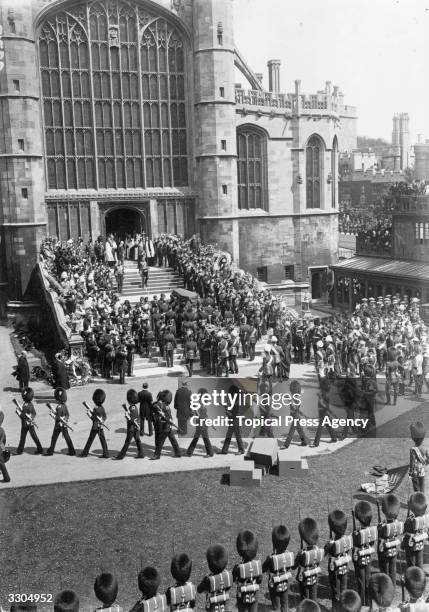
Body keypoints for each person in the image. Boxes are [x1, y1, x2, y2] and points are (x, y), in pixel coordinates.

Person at [325, 510, 352, 611]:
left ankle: (335, 609)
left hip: (335, 567)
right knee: (343, 588)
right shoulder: (347, 539)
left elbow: (325, 552)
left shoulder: (332, 544)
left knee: (335, 590)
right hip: (344, 565)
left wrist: (330, 543)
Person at [262, 525, 293, 612]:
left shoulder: (271, 559)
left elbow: (262, 569)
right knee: (285, 604)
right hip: (285, 583)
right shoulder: (289, 556)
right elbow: (291, 566)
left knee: (276, 607)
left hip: (274, 584)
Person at [352, 500, 377, 606]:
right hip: (368, 557)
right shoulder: (372, 530)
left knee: (361, 582)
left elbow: (354, 545)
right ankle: (368, 601)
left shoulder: (357, 533)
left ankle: (362, 604)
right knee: (367, 579)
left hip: (359, 559)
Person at [295, 518, 324, 602]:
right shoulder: (317, 550)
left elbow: (294, 566)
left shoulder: (302, 553)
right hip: (314, 577)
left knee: (305, 599)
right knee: (313, 597)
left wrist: (299, 554)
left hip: (304, 578)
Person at [233, 530, 262, 612]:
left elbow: (234, 579)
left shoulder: (237, 567)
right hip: (254, 593)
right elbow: (260, 580)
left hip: (241, 595)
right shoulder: (257, 565)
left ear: (240, 552)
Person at [377, 494, 403, 587]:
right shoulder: (398, 524)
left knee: (384, 569)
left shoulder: (382, 526)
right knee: (393, 568)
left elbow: (379, 533)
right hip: (394, 548)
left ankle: (385, 586)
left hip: (384, 549)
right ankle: (393, 585)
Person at [197, 544, 232, 612]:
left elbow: (199, 589)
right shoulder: (228, 575)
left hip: (212, 608)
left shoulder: (208, 579)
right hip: (225, 606)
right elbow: (229, 587)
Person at [151, 390, 181, 460]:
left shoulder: (163, 405)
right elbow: (155, 407)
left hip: (164, 426)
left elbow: (156, 408)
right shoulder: (165, 405)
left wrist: (163, 415)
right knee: (173, 440)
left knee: (160, 441)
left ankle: (157, 455)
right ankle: (178, 452)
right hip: (168, 426)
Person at [45, 387, 75, 456]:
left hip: (58, 425)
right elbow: (67, 414)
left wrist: (52, 414)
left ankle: (50, 451)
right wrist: (65, 419)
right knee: (67, 438)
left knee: (54, 438)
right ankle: (72, 451)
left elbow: (57, 417)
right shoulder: (65, 406)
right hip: (64, 425)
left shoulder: (58, 407)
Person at [115, 389, 144, 460]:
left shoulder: (133, 408)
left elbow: (132, 420)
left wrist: (127, 417)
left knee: (127, 442)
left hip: (132, 428)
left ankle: (120, 456)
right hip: (135, 427)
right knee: (137, 441)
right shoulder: (133, 407)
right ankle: (141, 454)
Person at [80, 388, 109, 458]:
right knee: (103, 440)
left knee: (90, 440)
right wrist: (102, 420)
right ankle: (106, 454)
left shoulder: (95, 409)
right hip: (100, 427)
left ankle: (85, 453)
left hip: (95, 427)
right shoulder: (102, 408)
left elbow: (94, 419)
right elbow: (105, 416)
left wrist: (89, 415)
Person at [403, 492, 428, 569]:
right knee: (419, 560)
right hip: (421, 543)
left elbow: (405, 531)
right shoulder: (425, 518)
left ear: (411, 508)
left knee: (411, 561)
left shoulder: (410, 520)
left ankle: (412, 574)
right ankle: (420, 574)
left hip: (411, 543)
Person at [16, 387, 43, 455]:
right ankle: (40, 449)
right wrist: (31, 417)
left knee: (22, 438)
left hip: (25, 424)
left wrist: (18, 412)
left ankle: (19, 451)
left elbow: (22, 416)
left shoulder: (25, 405)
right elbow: (34, 413)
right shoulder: (30, 404)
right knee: (34, 437)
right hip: (30, 423)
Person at [283, 380, 310, 449]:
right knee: (300, 429)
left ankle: (286, 444)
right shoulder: (294, 395)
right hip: (294, 415)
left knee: (291, 430)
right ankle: (304, 442)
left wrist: (289, 400)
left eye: (291, 387)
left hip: (295, 415)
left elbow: (295, 407)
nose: (290, 389)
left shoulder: (297, 398)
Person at [313, 378, 338, 447]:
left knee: (320, 427)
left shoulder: (323, 394)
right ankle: (334, 438)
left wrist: (320, 398)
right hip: (324, 412)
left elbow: (324, 404)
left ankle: (316, 443)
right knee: (328, 425)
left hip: (323, 412)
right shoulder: (324, 392)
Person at [221, 384, 245, 455]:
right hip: (233, 421)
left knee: (238, 436)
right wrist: (226, 407)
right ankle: (224, 450)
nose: (230, 395)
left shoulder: (236, 402)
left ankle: (241, 450)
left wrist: (226, 410)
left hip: (235, 421)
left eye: (231, 393)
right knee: (228, 435)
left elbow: (233, 414)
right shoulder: (235, 400)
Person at [409, 422, 429, 492]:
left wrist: (410, 472)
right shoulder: (425, 449)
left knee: (416, 488)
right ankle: (422, 500)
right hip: (422, 471)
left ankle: (417, 500)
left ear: (413, 437)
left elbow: (412, 463)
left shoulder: (412, 449)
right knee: (422, 487)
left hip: (415, 473)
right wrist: (425, 462)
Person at [0, 408, 11, 483]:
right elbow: (3, 442)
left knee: (1, 463)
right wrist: (3, 449)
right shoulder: (2, 430)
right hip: (0, 448)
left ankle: (7, 478)